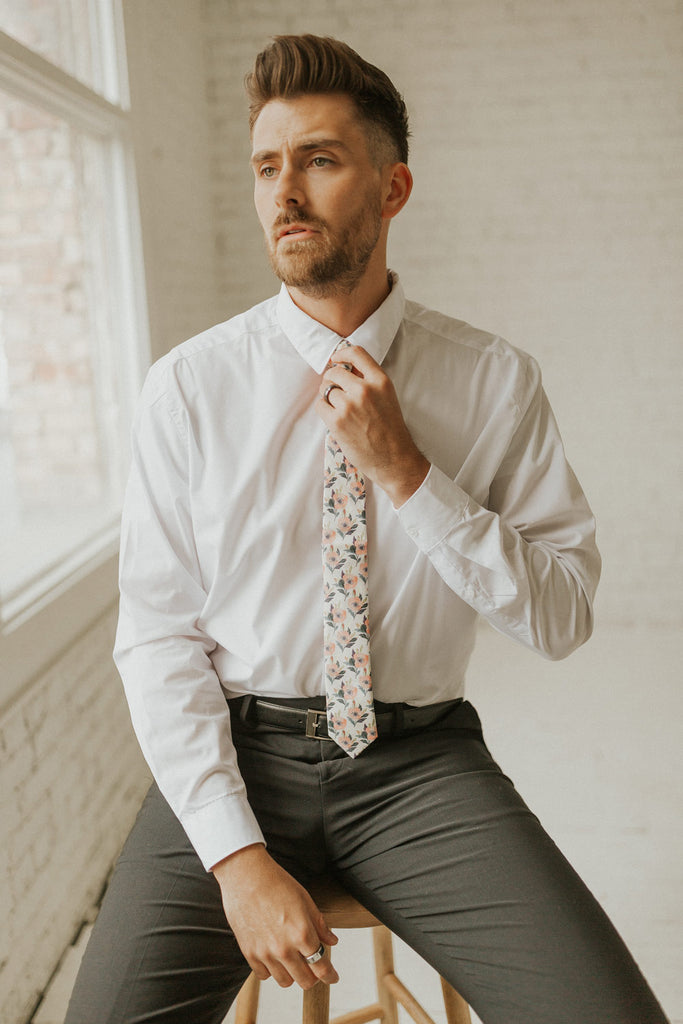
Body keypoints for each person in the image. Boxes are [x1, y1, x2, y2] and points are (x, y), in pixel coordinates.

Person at [66, 34, 669, 1024]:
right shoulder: (188, 388)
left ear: (392, 190)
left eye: (319, 159)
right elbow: (156, 637)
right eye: (267, 166)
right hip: (236, 754)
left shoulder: (490, 381)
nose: (283, 192)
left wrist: (409, 474)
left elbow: (560, 616)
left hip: (418, 766)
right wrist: (237, 857)